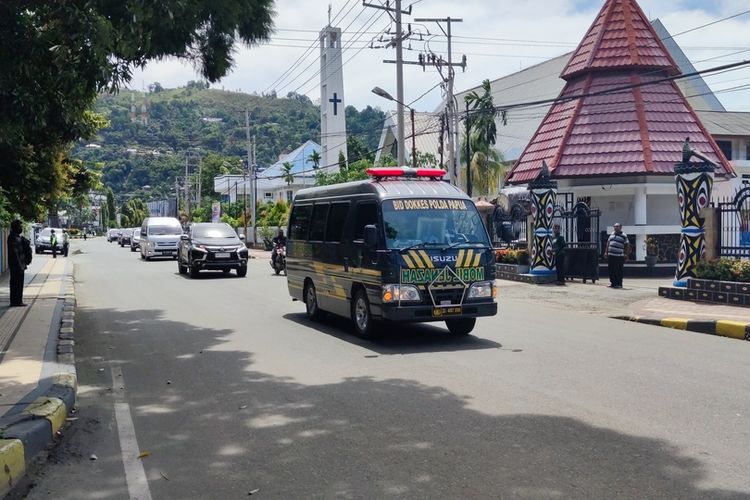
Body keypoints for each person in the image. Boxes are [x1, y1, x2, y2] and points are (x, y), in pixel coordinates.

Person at [7, 219, 29, 307]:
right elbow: (14, 253)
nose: (21, 228)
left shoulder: (17, 237)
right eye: (19, 226)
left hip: (20, 265)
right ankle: (15, 301)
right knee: (16, 284)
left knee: (19, 284)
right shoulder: (12, 237)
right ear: (15, 227)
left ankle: (18, 300)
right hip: (16, 266)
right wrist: (19, 266)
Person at [604, 223, 629, 289]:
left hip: (619, 256)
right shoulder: (612, 234)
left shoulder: (624, 235)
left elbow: (627, 245)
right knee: (611, 269)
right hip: (611, 255)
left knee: (618, 270)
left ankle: (619, 284)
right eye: (614, 226)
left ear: (620, 227)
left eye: (617, 226)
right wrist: (606, 252)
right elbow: (608, 243)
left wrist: (626, 254)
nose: (615, 228)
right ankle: (613, 283)